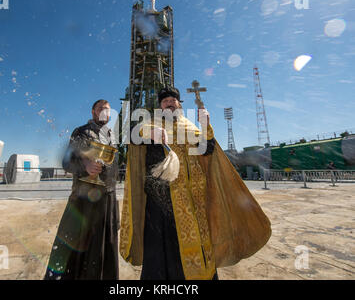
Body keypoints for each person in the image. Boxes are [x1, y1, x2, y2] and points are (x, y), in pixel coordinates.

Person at [119, 88, 272, 280]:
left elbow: (207, 149)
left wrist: (206, 125)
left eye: (173, 100)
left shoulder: (189, 126)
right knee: (160, 255)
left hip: (193, 201)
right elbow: (132, 136)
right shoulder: (150, 124)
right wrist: (150, 133)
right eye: (165, 101)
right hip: (160, 203)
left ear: (179, 105)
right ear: (160, 106)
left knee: (197, 249)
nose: (169, 103)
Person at [44, 99, 119, 280]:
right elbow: (66, 162)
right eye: (101, 109)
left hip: (106, 199)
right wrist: (85, 166)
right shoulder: (81, 133)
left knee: (103, 247)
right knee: (76, 246)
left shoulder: (112, 135)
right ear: (93, 112)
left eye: (108, 110)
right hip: (83, 200)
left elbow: (115, 166)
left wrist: (108, 169)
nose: (105, 113)